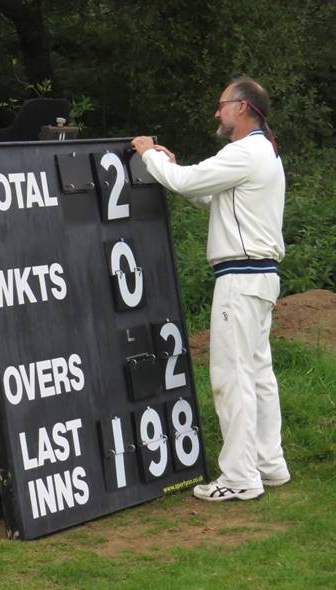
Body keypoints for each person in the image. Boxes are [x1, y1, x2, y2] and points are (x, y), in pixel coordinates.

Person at [131, 76, 290, 502]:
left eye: (222, 105)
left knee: (230, 375)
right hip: (260, 276)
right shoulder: (263, 154)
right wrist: (170, 167)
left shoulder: (243, 152)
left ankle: (240, 477)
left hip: (240, 278)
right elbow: (210, 194)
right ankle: (269, 463)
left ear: (242, 107)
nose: (217, 113)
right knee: (257, 373)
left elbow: (186, 183)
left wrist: (149, 154)